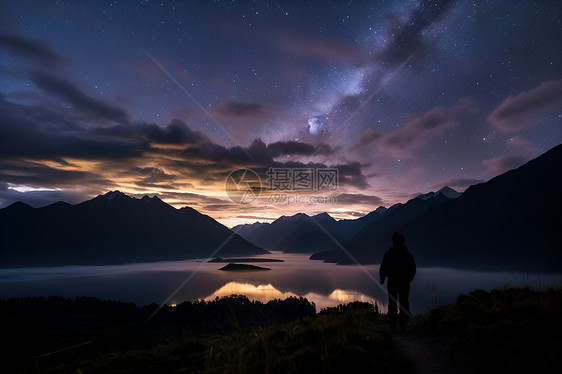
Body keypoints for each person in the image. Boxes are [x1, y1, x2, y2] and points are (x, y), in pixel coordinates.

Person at [379, 232, 416, 332]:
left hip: (392, 282)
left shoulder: (389, 253)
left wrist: (382, 278)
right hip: (404, 282)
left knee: (392, 303)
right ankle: (403, 325)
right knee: (403, 302)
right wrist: (409, 279)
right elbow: (412, 268)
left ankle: (393, 325)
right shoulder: (407, 254)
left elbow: (383, 267)